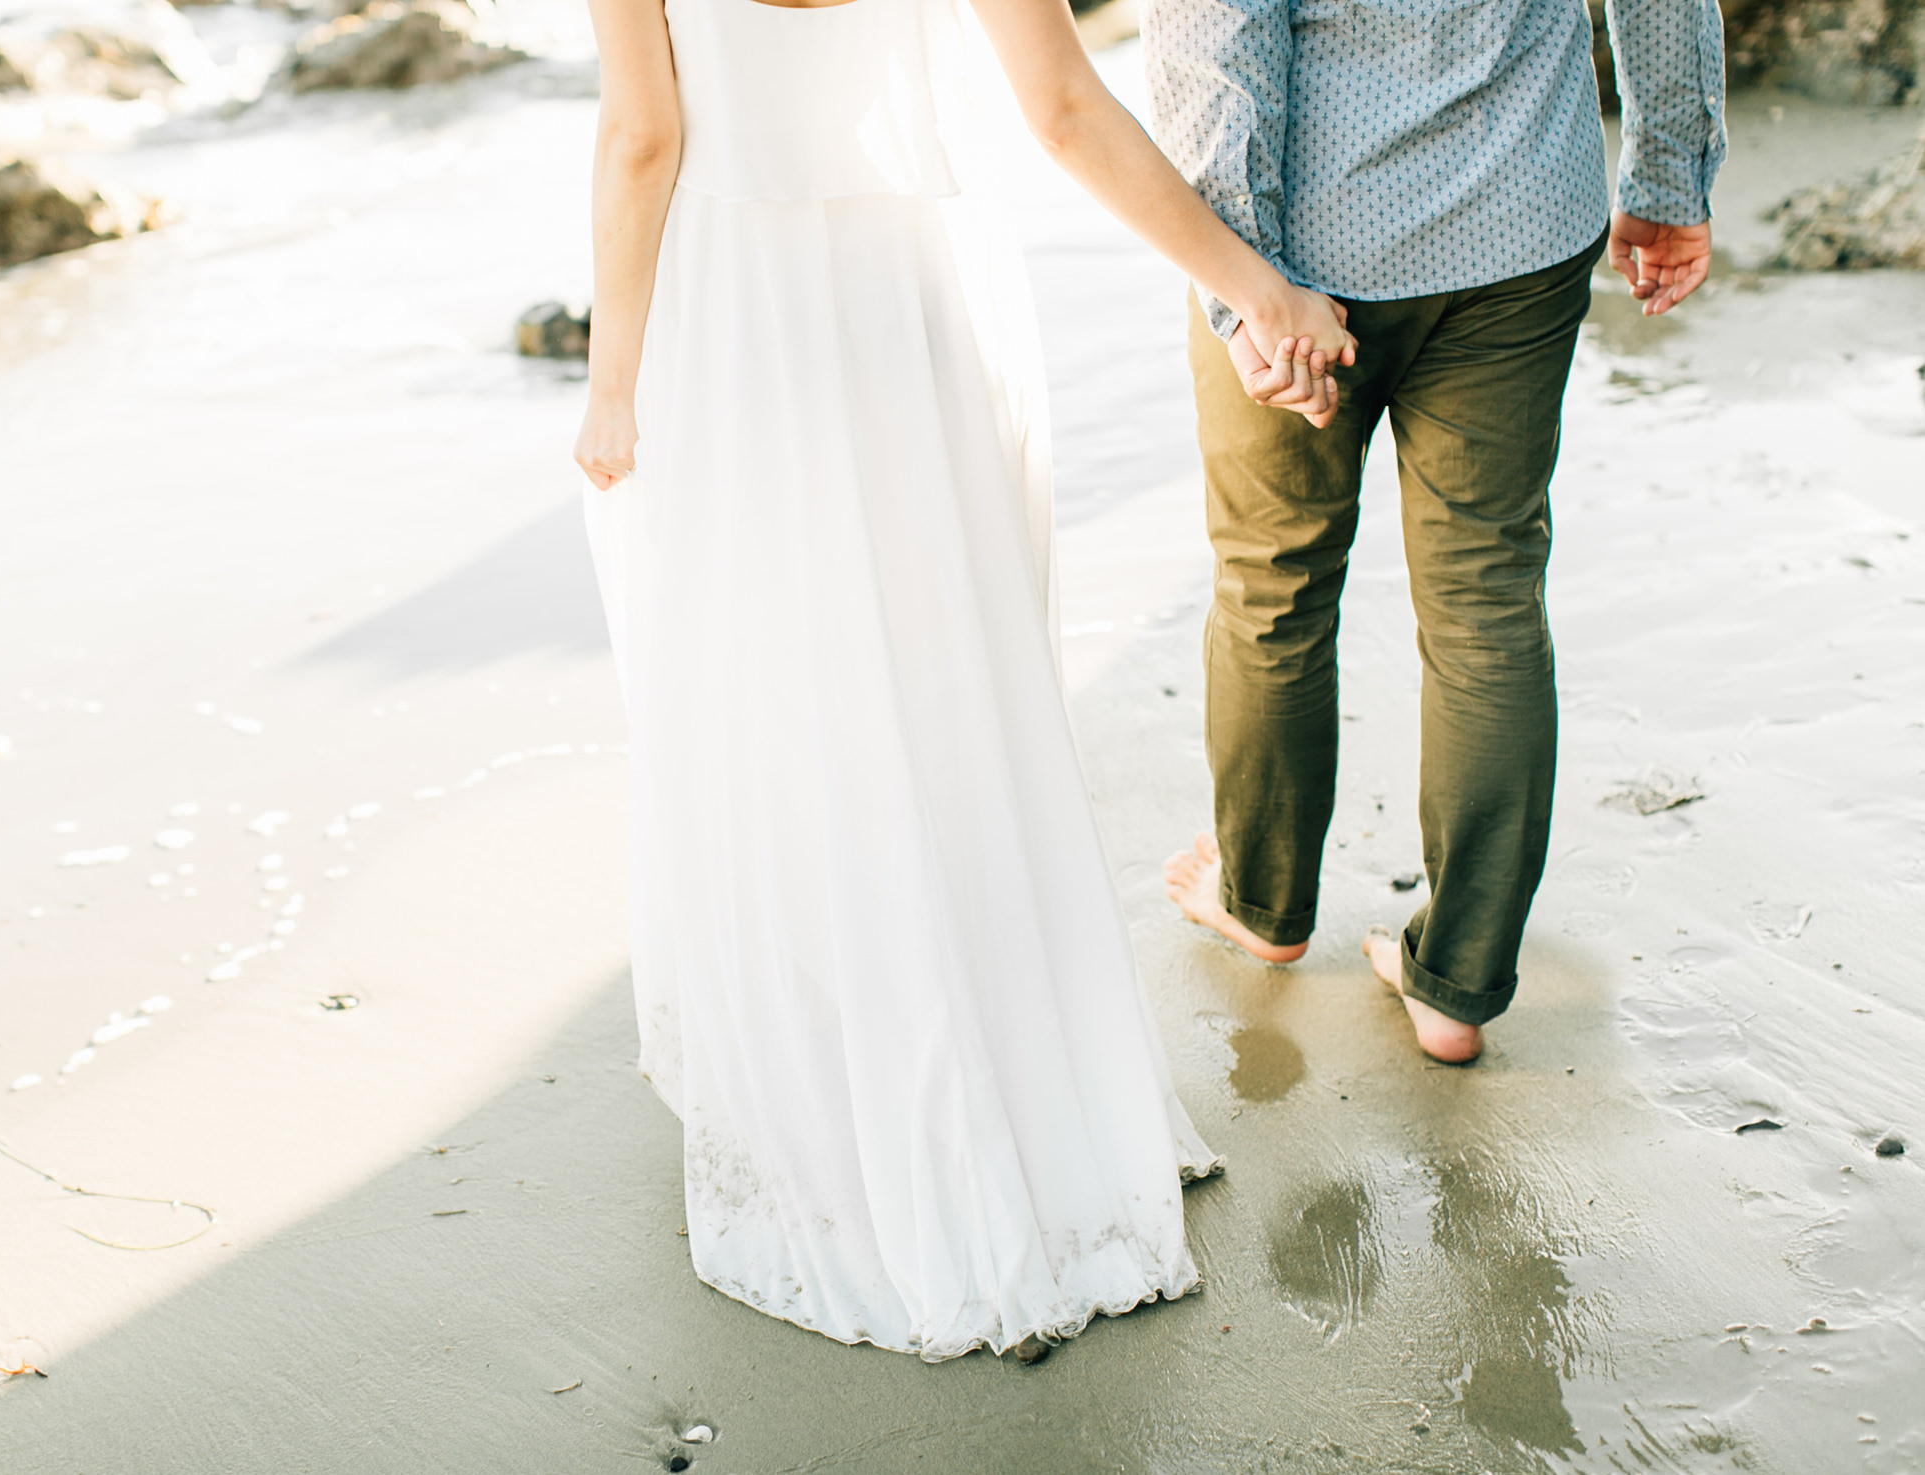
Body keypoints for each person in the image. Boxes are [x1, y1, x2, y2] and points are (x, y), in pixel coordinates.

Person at [573, 0, 1357, 1361]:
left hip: (736, 317)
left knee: (795, 706)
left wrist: (611, 379)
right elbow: (1063, 110)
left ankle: (861, 1090)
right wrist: (1256, 284)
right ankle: (1044, 1096)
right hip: (918, 304)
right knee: (951, 702)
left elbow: (645, 138)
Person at [1149, 0, 1726, 1063]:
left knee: (1272, 582)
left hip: (1300, 244)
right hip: (1519, 220)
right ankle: (1455, 984)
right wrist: (1665, 180)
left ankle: (1262, 905)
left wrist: (1245, 291)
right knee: (1486, 599)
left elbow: (1211, 38)